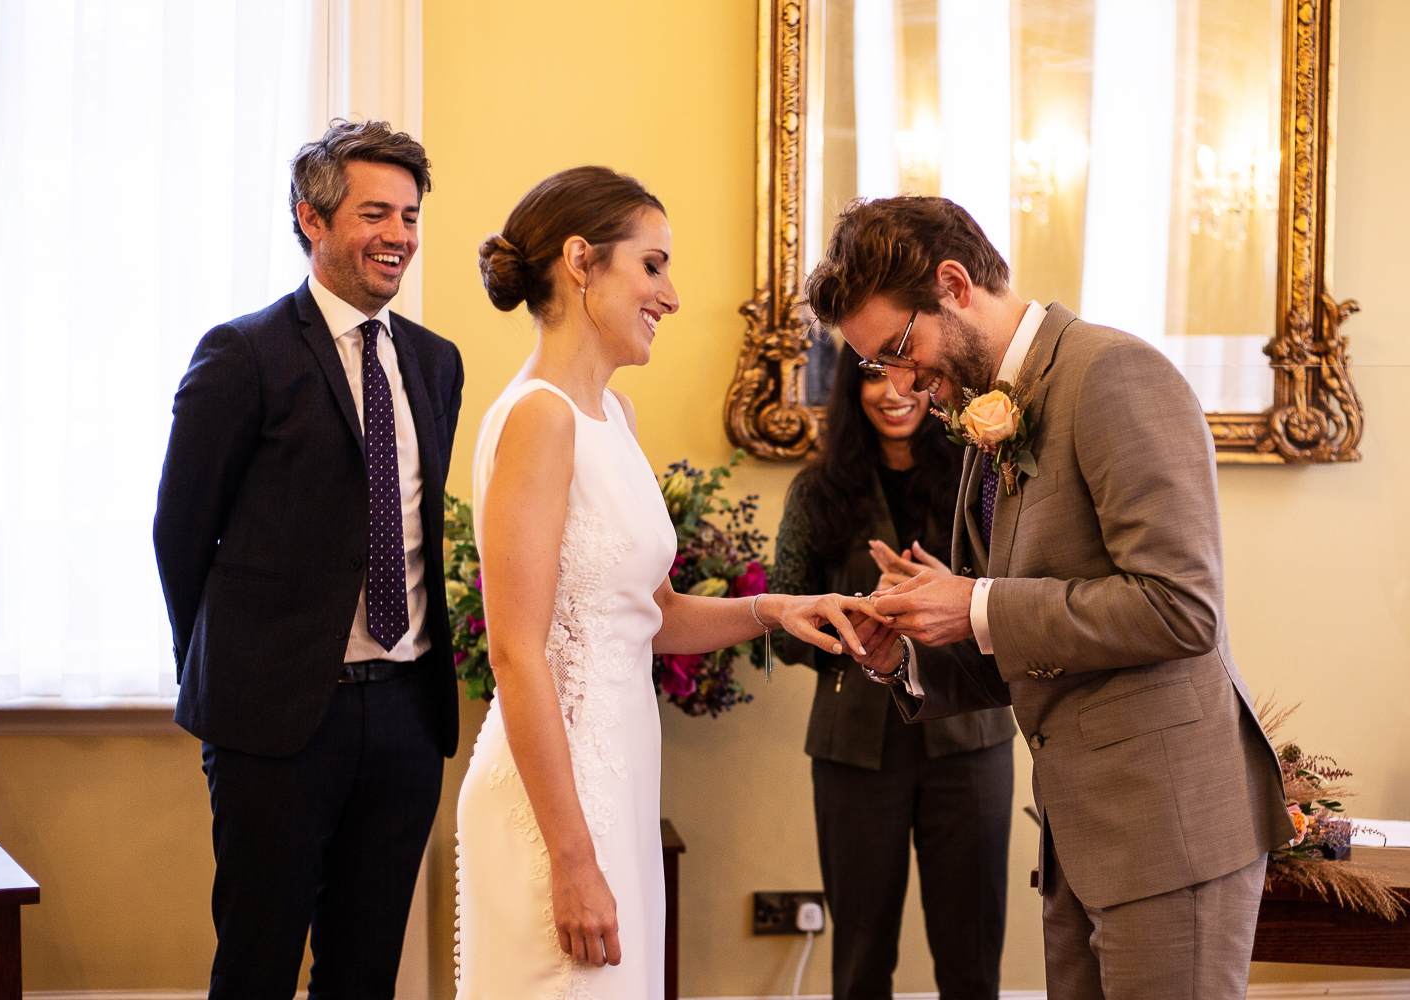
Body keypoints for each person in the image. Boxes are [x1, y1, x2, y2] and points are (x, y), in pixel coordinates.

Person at [808, 196, 1293, 1000]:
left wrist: (973, 604)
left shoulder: (1112, 374)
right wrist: (908, 656)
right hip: (1079, 837)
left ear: (955, 284)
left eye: (899, 347)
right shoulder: (984, 413)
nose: (900, 381)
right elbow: (1019, 649)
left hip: (1167, 827)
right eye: (874, 365)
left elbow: (1181, 607)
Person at [455, 166, 871, 999]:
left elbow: (645, 613)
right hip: (558, 805)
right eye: (652, 265)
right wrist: (573, 858)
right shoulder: (539, 418)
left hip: (621, 777)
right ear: (581, 261)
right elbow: (515, 651)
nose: (671, 295)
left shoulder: (613, 416)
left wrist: (776, 610)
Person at [153, 119, 462, 1000]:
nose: (399, 235)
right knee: (256, 966)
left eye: (409, 215)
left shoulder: (437, 364)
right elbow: (181, 533)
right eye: (375, 213)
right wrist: (222, 675)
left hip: (406, 716)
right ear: (312, 219)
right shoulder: (242, 354)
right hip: (279, 726)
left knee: (365, 974)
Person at [769, 342, 1015, 1000]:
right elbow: (786, 631)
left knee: (972, 957)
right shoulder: (816, 490)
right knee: (859, 959)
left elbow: (1023, 598)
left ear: (935, 382)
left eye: (904, 373)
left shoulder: (984, 473)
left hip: (971, 739)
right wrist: (857, 617)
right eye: (872, 375)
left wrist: (955, 590)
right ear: (850, 388)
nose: (892, 391)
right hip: (855, 745)